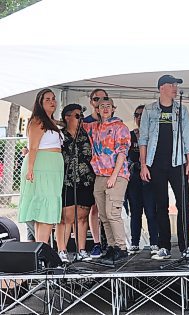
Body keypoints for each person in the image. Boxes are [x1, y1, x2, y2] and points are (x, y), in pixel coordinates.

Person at [139, 75, 189, 259]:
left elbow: (188, 137)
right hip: (156, 163)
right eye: (171, 85)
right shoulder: (149, 110)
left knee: (183, 203)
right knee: (161, 205)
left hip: (178, 163)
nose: (175, 88)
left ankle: (185, 246)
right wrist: (143, 165)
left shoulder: (181, 109)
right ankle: (164, 246)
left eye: (176, 85)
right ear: (161, 88)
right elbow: (143, 139)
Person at [85, 97, 130, 262]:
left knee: (113, 213)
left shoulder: (120, 127)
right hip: (100, 175)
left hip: (116, 175)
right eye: (101, 106)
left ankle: (121, 247)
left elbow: (122, 153)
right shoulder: (94, 127)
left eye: (108, 106)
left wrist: (114, 175)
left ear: (113, 108)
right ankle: (111, 246)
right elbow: (72, 125)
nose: (105, 109)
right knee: (103, 215)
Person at [18, 88, 64, 244]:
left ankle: (41, 249)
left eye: (53, 99)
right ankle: (43, 249)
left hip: (52, 167)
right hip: (41, 165)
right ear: (40, 103)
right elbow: (33, 147)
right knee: (44, 209)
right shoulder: (38, 121)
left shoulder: (51, 121)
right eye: (47, 99)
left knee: (46, 209)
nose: (52, 102)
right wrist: (30, 169)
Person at [55, 104, 95, 262]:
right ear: (67, 117)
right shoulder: (60, 136)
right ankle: (62, 251)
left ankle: (81, 250)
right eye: (77, 116)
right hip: (66, 181)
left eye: (82, 117)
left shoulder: (87, 134)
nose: (81, 119)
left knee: (82, 217)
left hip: (85, 180)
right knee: (66, 217)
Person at [127, 105, 159, 255]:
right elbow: (123, 156)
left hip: (149, 178)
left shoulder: (154, 136)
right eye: (137, 115)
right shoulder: (129, 135)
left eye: (143, 114)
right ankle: (134, 242)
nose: (140, 117)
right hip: (133, 178)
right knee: (135, 211)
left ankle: (154, 242)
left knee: (151, 211)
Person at [84, 88, 109, 259]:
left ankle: (113, 241)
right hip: (91, 170)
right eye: (96, 98)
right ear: (91, 102)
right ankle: (97, 243)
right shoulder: (84, 122)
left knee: (110, 208)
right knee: (94, 208)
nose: (100, 101)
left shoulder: (114, 122)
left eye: (104, 98)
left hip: (109, 171)